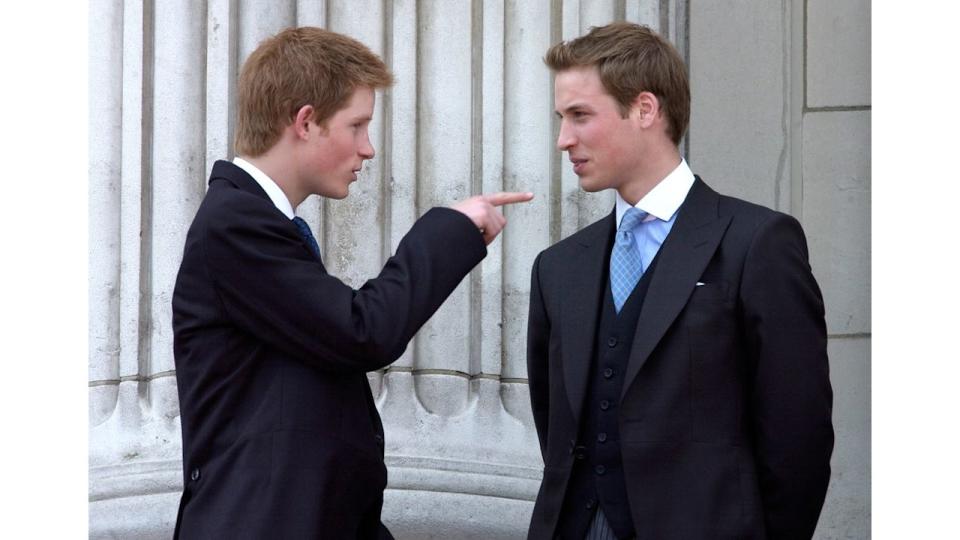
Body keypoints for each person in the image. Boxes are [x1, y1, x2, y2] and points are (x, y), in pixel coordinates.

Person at [171, 26, 532, 539]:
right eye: (357, 125)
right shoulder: (234, 222)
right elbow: (362, 331)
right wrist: (450, 229)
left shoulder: (254, 222)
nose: (368, 149)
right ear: (306, 121)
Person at [526, 22, 833, 539]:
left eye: (580, 116)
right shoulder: (558, 267)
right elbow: (555, 428)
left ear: (645, 109)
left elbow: (796, 438)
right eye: (561, 118)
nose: (563, 140)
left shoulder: (757, 243)